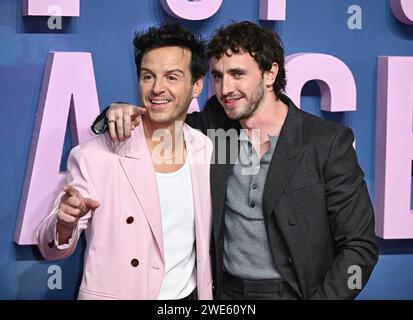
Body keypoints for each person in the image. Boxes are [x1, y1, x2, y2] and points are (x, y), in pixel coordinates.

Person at [92, 21, 378, 300]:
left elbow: (360, 246)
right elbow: (160, 120)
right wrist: (115, 111)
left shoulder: (325, 142)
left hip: (294, 291)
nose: (225, 88)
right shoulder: (212, 126)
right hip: (225, 293)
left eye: (238, 74)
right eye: (218, 76)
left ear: (270, 73)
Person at [37, 22, 214, 300]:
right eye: (147, 76)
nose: (157, 88)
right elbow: (51, 247)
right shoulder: (95, 156)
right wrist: (65, 222)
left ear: (197, 85)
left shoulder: (205, 149)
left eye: (172, 77)